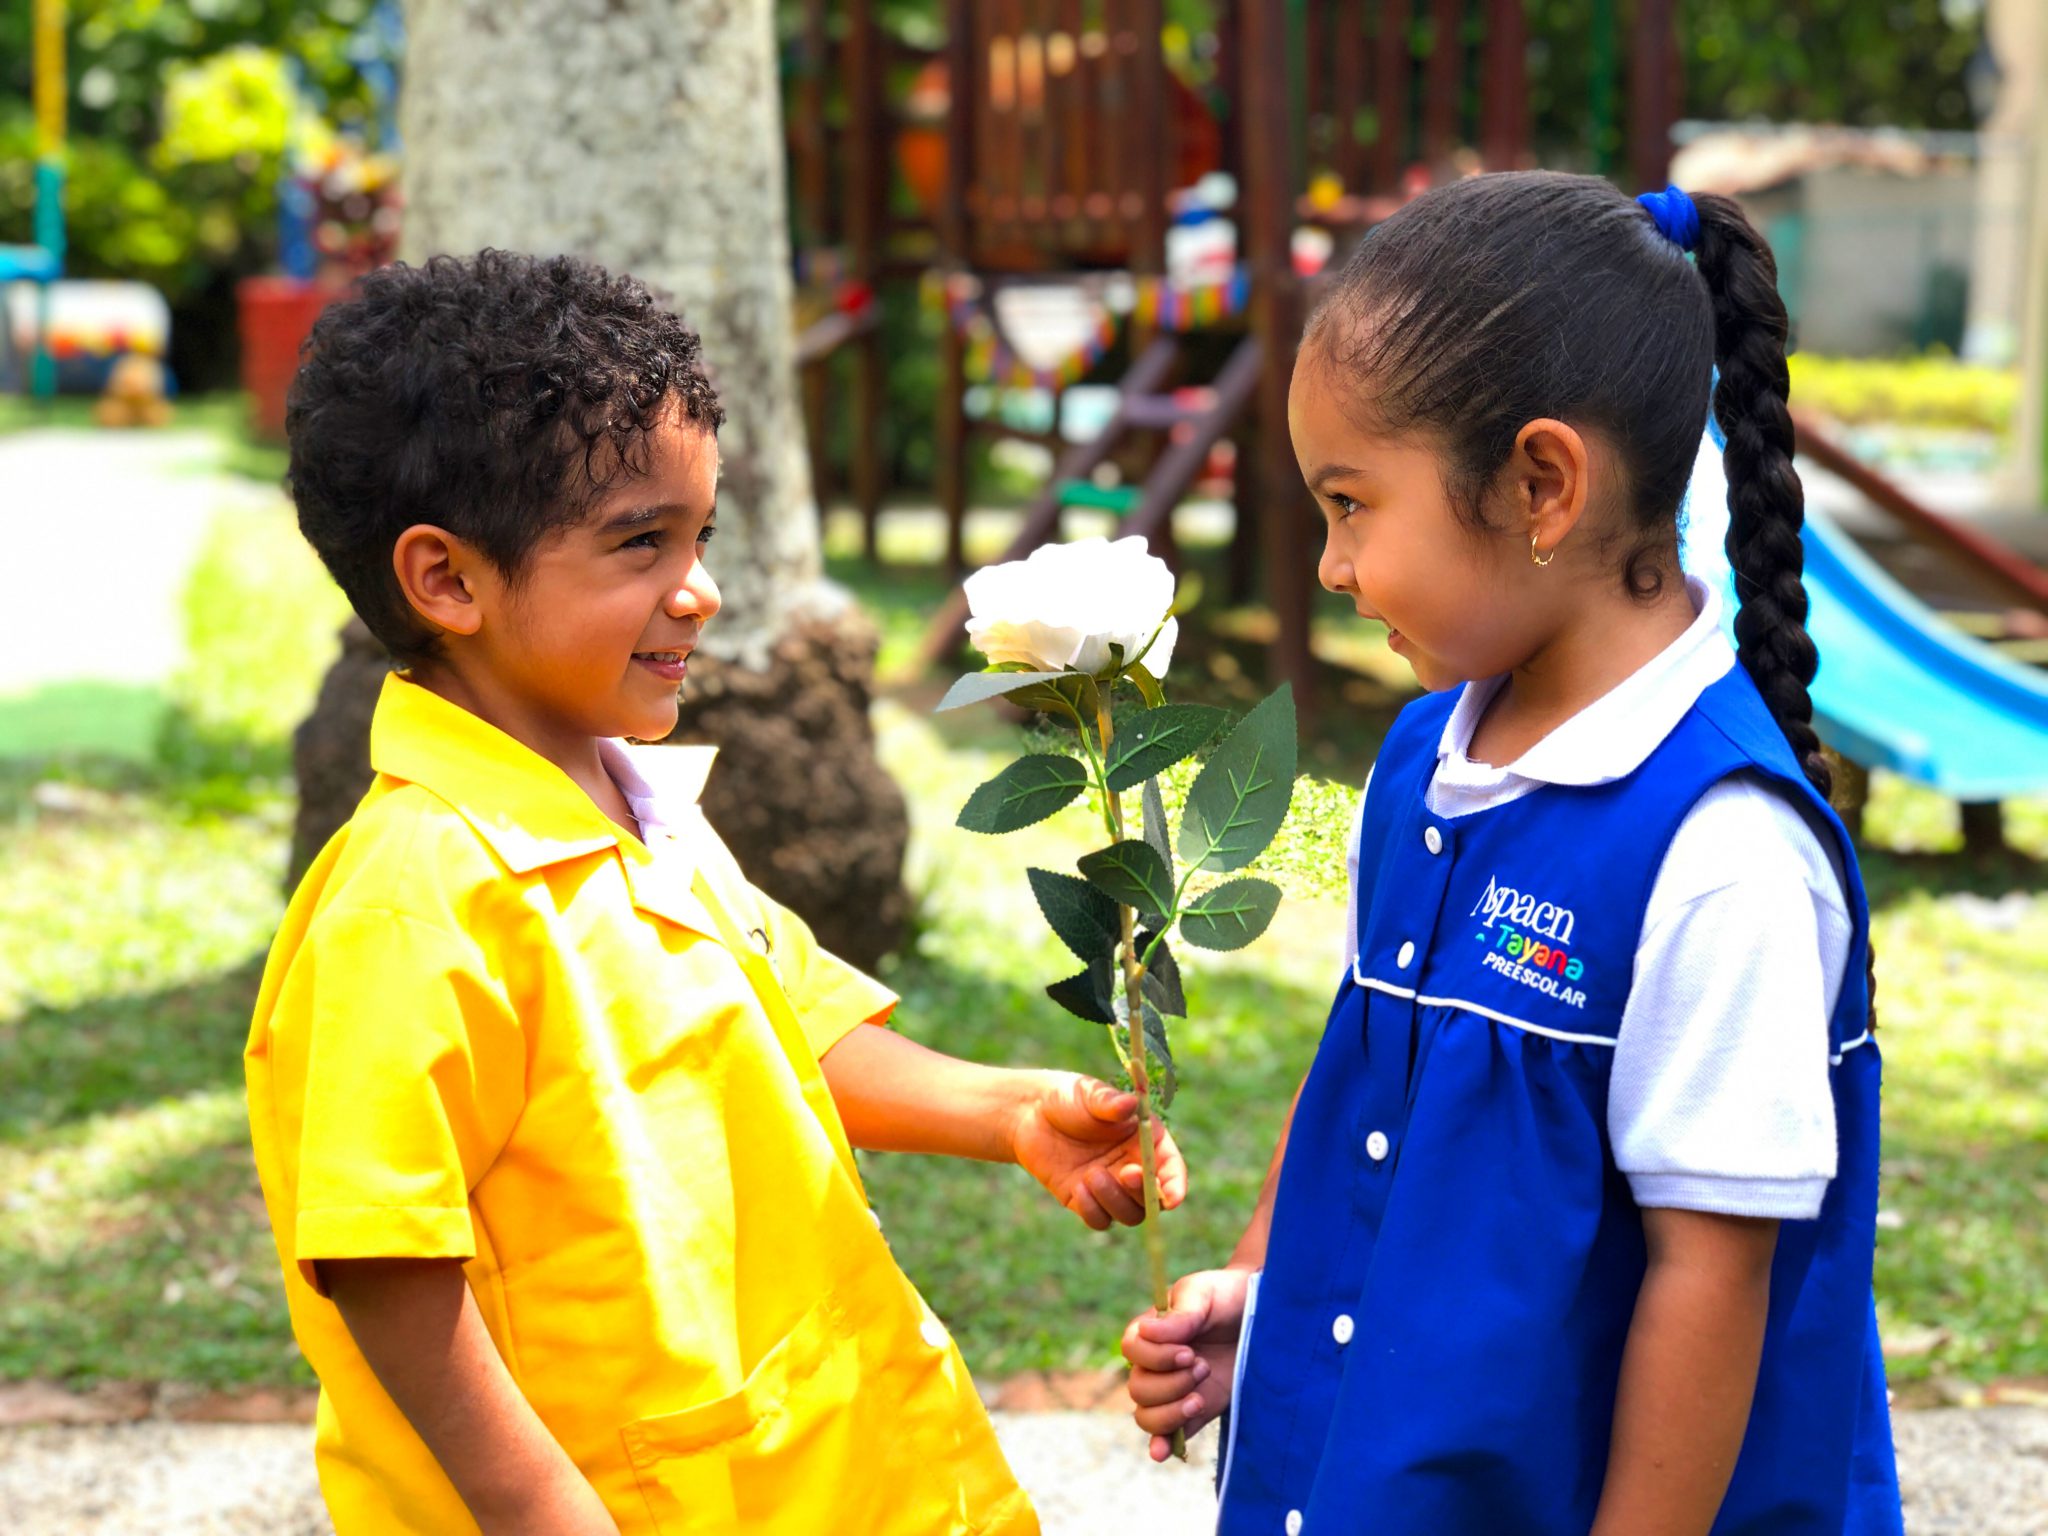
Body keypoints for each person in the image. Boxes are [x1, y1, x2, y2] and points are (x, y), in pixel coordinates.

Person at [245, 249, 1186, 1536]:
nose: (700, 590)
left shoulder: (633, 801)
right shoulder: (416, 899)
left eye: (700, 536)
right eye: (642, 543)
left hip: (807, 1474)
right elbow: (379, 1256)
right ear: (448, 580)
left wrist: (1011, 1111)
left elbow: (784, 1023)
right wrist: (545, 1517)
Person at [1120, 173, 1902, 1535]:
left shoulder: (1722, 854)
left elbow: (1710, 1284)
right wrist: (1267, 1295)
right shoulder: (1423, 756)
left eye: (1351, 505)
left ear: (1541, 483)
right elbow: (1371, 1065)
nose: (1331, 566)